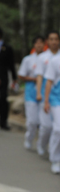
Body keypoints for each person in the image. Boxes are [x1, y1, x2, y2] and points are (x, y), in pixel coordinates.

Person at [18, 35, 45, 150]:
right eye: (37, 43)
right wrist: (35, 79)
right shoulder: (28, 59)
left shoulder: (47, 59)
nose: (39, 45)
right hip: (31, 93)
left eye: (41, 43)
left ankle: (41, 144)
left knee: (44, 123)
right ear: (34, 45)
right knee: (32, 121)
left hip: (45, 94)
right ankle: (29, 139)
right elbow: (21, 75)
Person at [36, 31, 60, 157]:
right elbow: (40, 77)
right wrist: (39, 93)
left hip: (56, 96)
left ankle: (53, 151)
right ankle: (41, 145)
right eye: (51, 39)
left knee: (56, 128)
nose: (54, 41)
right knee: (46, 126)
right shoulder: (42, 57)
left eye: (56, 39)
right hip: (47, 95)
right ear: (48, 41)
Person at [0, 26, 17, 130]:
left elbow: (11, 64)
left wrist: (14, 78)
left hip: (3, 77)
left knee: (3, 99)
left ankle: (3, 121)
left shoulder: (7, 48)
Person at [43, 43, 60, 174]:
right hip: (56, 99)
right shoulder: (55, 61)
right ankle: (55, 159)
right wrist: (46, 101)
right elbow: (49, 81)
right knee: (58, 129)